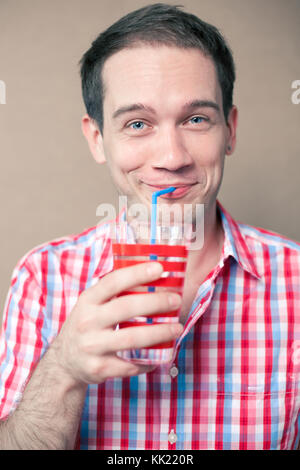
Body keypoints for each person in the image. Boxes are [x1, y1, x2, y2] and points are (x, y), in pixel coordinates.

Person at [0, 3, 299, 450]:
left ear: (230, 130)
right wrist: (63, 368)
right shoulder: (43, 279)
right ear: (97, 139)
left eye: (196, 119)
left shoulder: (296, 278)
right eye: (137, 124)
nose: (172, 157)